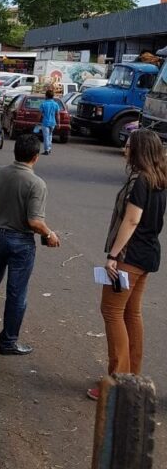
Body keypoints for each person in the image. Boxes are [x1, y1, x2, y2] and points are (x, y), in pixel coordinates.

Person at [88, 129, 167, 400]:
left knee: (111, 312)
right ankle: (131, 376)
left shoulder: (140, 181)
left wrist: (114, 255)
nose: (124, 149)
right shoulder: (158, 178)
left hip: (130, 257)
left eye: (129, 145)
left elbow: (131, 220)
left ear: (139, 150)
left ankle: (118, 382)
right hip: (147, 255)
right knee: (131, 314)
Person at [0, 133, 61, 362]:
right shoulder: (36, 184)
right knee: (16, 292)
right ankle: (9, 341)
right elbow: (34, 222)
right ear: (36, 157)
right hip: (20, 242)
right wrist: (50, 234)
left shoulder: (0, 172)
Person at [38, 87, 61, 155]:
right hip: (53, 123)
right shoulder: (56, 104)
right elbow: (57, 115)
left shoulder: (43, 104)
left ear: (46, 96)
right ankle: (49, 148)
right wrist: (58, 123)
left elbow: (39, 114)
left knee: (46, 137)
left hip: (45, 122)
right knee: (50, 135)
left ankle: (46, 150)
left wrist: (37, 121)